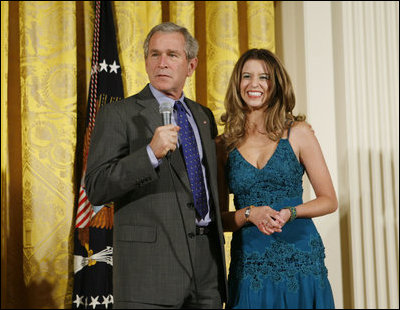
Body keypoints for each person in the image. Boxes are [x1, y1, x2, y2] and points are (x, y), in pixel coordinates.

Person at [85, 22, 227, 309]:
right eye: (154, 54)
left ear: (191, 65)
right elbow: (97, 187)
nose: (162, 63)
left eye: (172, 55)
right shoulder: (119, 114)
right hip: (149, 271)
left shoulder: (202, 116)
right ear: (146, 61)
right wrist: (149, 154)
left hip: (206, 265)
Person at [216, 48, 337, 309]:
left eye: (264, 77)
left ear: (276, 84)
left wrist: (290, 212)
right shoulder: (223, 145)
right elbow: (219, 219)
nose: (254, 84)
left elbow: (329, 200)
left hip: (301, 259)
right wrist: (250, 213)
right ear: (237, 84)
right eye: (246, 76)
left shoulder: (299, 133)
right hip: (250, 264)